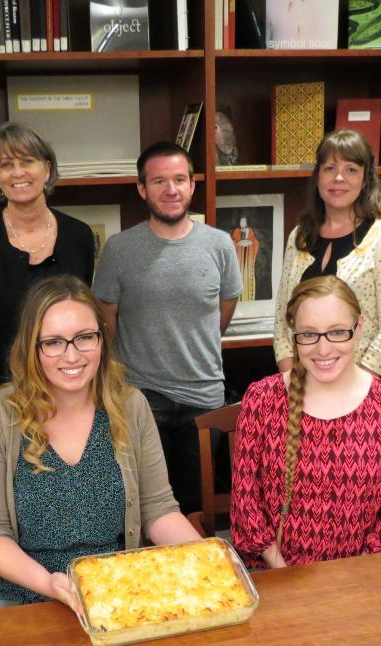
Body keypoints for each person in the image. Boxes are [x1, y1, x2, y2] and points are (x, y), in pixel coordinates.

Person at [0, 275, 201, 612]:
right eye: (54, 342)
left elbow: (158, 508)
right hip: (20, 589)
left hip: (115, 583)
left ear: (101, 339)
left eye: (84, 338)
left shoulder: (130, 406)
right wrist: (50, 583)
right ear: (31, 347)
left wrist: (210, 556)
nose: (72, 356)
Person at [92, 141, 243, 515]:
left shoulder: (220, 244)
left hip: (203, 394)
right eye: (159, 181)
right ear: (142, 189)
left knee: (196, 507)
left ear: (193, 185)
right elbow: (106, 319)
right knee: (144, 508)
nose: (170, 189)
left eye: (179, 179)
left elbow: (224, 311)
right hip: (141, 396)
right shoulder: (120, 249)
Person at [231, 276, 381, 569]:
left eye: (336, 332)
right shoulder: (262, 400)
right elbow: (247, 504)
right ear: (294, 334)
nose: (322, 350)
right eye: (308, 334)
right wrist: (282, 571)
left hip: (365, 581)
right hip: (278, 577)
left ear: (359, 328)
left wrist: (350, 584)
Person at [274, 129, 381, 381]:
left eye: (351, 170)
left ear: (366, 180)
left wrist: (350, 391)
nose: (339, 178)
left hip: (366, 386)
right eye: (329, 168)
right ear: (317, 177)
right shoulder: (299, 236)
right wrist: (291, 379)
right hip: (304, 387)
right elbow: (283, 319)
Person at [0, 122, 94, 395]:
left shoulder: (79, 235)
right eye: (6, 165)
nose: (18, 173)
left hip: (69, 386)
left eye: (27, 161)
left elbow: (86, 316)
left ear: (47, 169)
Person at [232, 215, 259, 302]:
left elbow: (255, 242)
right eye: (241, 221)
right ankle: (239, 299)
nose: (242, 223)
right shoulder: (236, 231)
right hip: (239, 260)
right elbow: (233, 242)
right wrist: (238, 244)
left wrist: (250, 242)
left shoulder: (250, 231)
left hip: (248, 259)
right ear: (239, 223)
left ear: (246, 223)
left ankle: (248, 298)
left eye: (244, 221)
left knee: (248, 276)